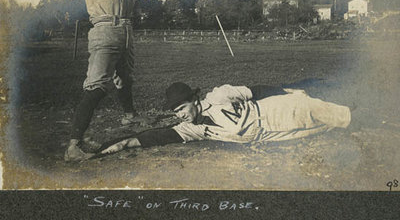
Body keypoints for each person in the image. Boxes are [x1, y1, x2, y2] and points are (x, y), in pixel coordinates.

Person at [64, 0, 175, 162]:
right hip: (104, 30)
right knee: (97, 86)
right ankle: (74, 145)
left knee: (125, 78)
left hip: (125, 30)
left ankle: (129, 116)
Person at [101, 82, 351, 155]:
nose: (180, 114)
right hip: (274, 135)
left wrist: (289, 91)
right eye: (175, 111)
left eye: (182, 107)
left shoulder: (219, 95)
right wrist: (125, 142)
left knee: (341, 115)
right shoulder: (193, 129)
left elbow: (257, 90)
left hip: (277, 111)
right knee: (330, 128)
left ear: (195, 100)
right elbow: (160, 136)